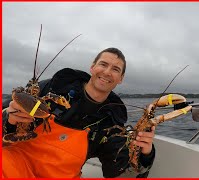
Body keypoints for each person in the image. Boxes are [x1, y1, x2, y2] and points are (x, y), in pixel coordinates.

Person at [2, 47, 156, 178]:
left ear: (120, 78)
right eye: (103, 64)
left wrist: (145, 154)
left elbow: (118, 172)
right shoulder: (51, 87)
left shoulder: (112, 120)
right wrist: (8, 117)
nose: (108, 72)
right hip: (17, 164)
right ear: (92, 67)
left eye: (115, 69)